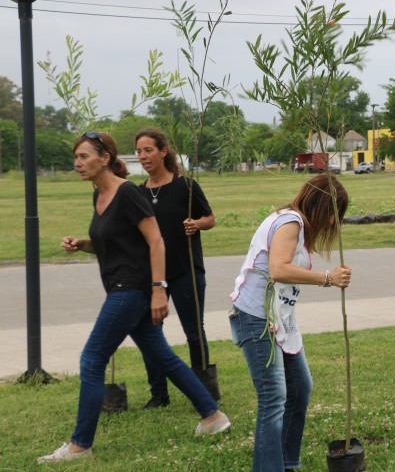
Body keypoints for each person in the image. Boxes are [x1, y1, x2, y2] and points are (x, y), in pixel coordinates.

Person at [38, 132, 230, 464]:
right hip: (123, 287)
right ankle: (212, 416)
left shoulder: (128, 193)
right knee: (162, 356)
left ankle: (80, 446)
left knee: (92, 359)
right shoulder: (100, 194)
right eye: (76, 157)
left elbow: (156, 241)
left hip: (132, 290)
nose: (77, 163)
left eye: (84, 156)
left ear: (105, 158)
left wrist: (158, 289)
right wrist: (82, 244)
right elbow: (113, 243)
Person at [229, 174, 352, 472]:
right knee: (273, 398)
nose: (334, 223)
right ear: (322, 205)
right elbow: (278, 269)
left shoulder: (295, 224)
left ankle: (286, 464)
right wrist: (327, 278)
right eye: (335, 214)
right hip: (256, 317)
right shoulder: (290, 222)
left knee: (300, 389)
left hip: (278, 318)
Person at [135, 128, 217, 408]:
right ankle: (159, 394)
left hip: (186, 270)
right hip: (153, 275)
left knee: (194, 332)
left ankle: (205, 392)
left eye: (148, 150)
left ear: (163, 152)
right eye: (139, 151)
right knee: (151, 332)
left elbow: (210, 218)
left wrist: (197, 224)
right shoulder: (138, 192)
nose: (143, 156)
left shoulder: (186, 186)